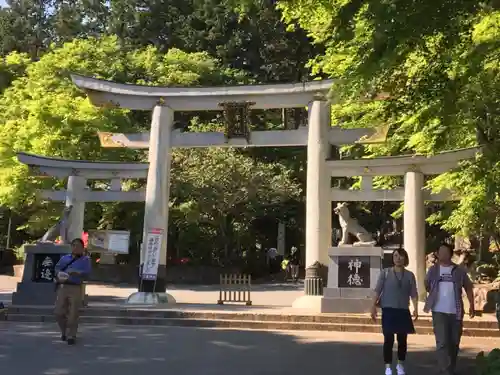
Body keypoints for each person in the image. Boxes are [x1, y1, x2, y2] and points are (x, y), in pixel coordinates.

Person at [424, 243, 475, 375]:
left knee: (454, 343)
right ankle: (445, 370)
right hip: (438, 311)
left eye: (446, 252)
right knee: (442, 342)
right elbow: (427, 284)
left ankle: (450, 368)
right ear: (437, 254)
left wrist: (472, 305)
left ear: (451, 254)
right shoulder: (433, 270)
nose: (443, 254)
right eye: (441, 252)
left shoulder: (459, 271)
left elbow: (468, 287)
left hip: (456, 311)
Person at [371, 248, 418, 375]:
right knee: (388, 339)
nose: (398, 258)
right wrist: (372, 306)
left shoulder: (409, 275)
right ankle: (387, 366)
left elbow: (413, 293)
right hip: (388, 310)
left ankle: (400, 365)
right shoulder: (385, 273)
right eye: (395, 256)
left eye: (401, 256)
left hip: (403, 310)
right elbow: (377, 290)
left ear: (405, 258)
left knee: (402, 340)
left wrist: (416, 308)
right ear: (392, 258)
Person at [54, 238, 92, 345]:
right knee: (58, 312)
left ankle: (71, 335)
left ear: (82, 248)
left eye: (78, 246)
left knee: (73, 313)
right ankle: (64, 331)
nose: (75, 248)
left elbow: (88, 273)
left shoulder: (86, 260)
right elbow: (57, 269)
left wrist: (77, 272)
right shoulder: (65, 258)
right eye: (74, 245)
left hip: (76, 286)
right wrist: (59, 275)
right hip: (63, 286)